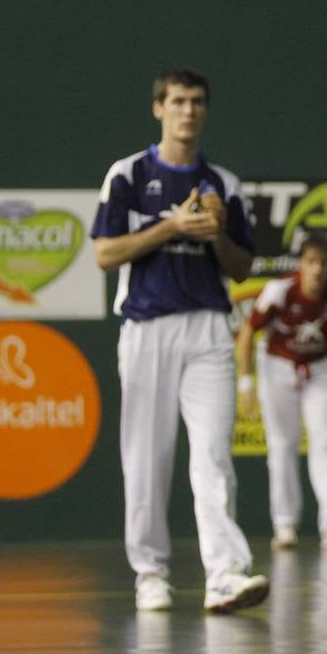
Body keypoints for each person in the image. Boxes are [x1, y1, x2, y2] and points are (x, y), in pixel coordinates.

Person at [91, 68, 270, 614]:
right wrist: (171, 226)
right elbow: (103, 254)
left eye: (196, 102)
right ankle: (150, 573)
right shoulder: (127, 175)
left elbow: (242, 269)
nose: (187, 111)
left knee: (214, 455)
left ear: (205, 111)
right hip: (146, 327)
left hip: (209, 331)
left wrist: (215, 234)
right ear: (158, 109)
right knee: (145, 457)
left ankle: (224, 574)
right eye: (177, 102)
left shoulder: (225, 184)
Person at [236, 232, 327, 551]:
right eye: (311, 262)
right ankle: (284, 525)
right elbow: (248, 332)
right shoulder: (279, 291)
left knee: (324, 443)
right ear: (300, 265)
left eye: (323, 262)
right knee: (281, 444)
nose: (318, 269)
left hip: (321, 369)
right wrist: (246, 383)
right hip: (277, 368)